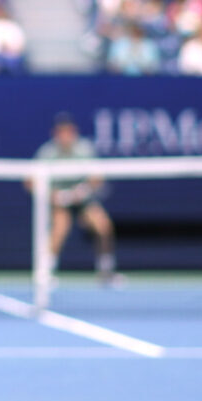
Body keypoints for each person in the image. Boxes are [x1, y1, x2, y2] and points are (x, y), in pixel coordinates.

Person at [26, 113, 120, 286]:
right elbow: (30, 181)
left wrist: (80, 192)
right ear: (55, 133)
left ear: (74, 132)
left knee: (103, 226)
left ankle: (106, 271)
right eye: (61, 132)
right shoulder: (47, 152)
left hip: (83, 201)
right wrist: (53, 196)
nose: (65, 136)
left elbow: (97, 178)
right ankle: (45, 273)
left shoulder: (84, 149)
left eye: (68, 132)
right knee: (60, 228)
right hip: (58, 201)